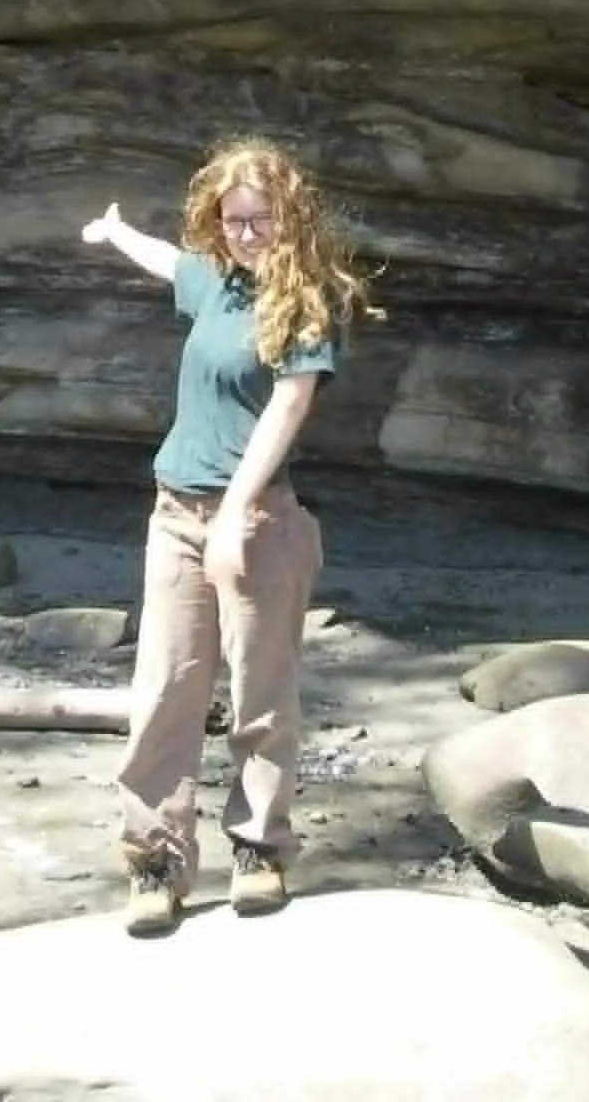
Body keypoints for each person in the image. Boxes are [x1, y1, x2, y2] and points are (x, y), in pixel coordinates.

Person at [80, 138, 377, 937]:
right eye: (234, 219)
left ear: (291, 216)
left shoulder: (304, 300)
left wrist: (236, 516)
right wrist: (115, 232)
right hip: (174, 514)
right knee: (165, 692)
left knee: (260, 694)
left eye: (261, 218)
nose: (247, 233)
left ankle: (260, 850)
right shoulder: (217, 281)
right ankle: (155, 862)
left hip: (260, 519)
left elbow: (290, 405)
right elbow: (167, 262)